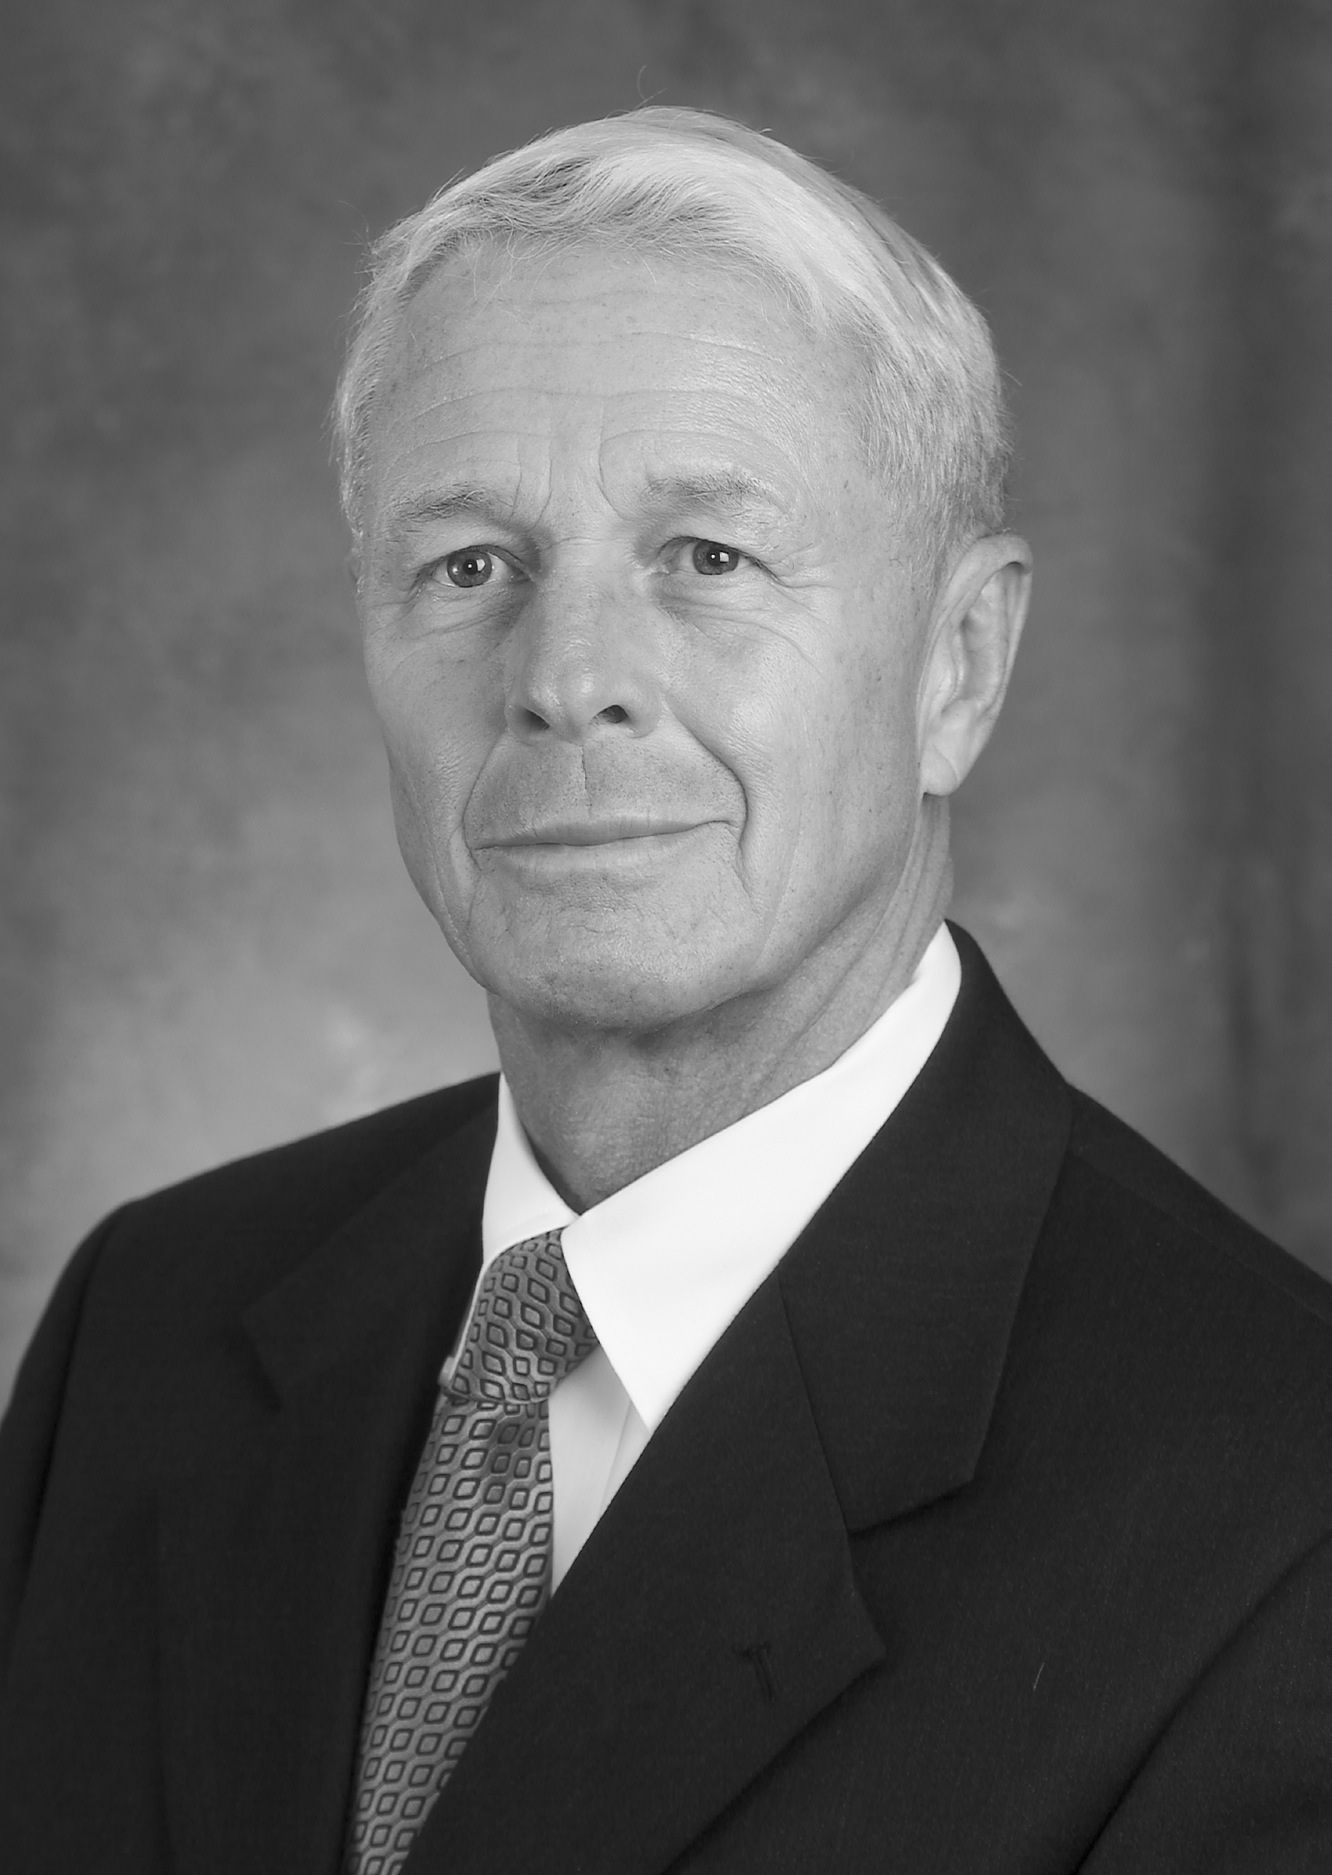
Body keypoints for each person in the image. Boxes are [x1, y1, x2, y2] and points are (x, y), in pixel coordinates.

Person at [1, 106, 1330, 1875]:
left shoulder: (1280, 1508)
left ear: (958, 665)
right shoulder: (150, 1326)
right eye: (468, 565)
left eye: (709, 557)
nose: (565, 679)